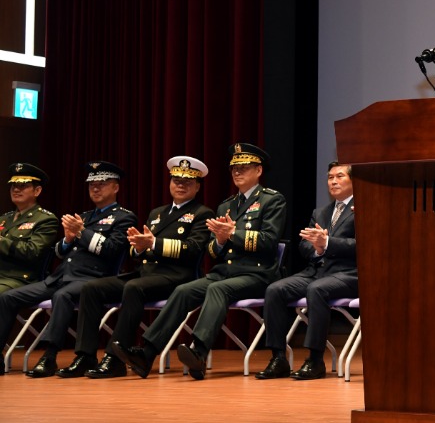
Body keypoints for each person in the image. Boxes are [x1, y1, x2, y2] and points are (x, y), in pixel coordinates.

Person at [114, 143, 285, 380]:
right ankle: (147, 353)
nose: (237, 172)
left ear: (258, 171)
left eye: (244, 167)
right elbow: (213, 252)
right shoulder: (227, 204)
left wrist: (232, 235)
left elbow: (268, 241)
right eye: (234, 168)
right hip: (225, 272)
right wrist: (221, 241)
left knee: (217, 289)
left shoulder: (272, 200)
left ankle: (199, 352)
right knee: (184, 291)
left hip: (256, 273)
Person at [56, 156, 215, 378]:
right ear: (170, 183)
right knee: (92, 288)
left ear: (197, 186)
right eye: (176, 180)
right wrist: (140, 248)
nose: (180, 185)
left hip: (177, 276)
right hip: (145, 273)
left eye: (187, 182)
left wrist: (153, 244)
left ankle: (114, 358)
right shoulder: (157, 213)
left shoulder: (202, 213)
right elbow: (134, 251)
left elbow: (194, 249)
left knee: (134, 287)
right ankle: (85, 355)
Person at [0, 161, 135, 376]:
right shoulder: (85, 215)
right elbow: (60, 253)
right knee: (8, 298)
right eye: (92, 185)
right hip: (60, 277)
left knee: (62, 297)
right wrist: (67, 239)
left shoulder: (124, 217)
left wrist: (81, 232)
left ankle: (49, 356)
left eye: (102, 183)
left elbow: (111, 250)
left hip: (92, 279)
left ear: (115, 187)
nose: (95, 188)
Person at [256, 161, 356, 380]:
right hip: (317, 271)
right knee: (275, 289)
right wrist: (318, 248)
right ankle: (278, 358)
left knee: (316, 290)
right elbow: (304, 245)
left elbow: (364, 246)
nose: (333, 181)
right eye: (330, 177)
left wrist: (328, 243)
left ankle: (315, 360)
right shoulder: (320, 212)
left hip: (349, 273)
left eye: (340, 176)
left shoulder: (365, 208)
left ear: (354, 180)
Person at [0, 163, 59, 295]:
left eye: (23, 186)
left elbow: (33, 252)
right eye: (14, 186)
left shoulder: (45, 219)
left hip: (20, 279)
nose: (16, 190)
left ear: (37, 191)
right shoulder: (4, 218)